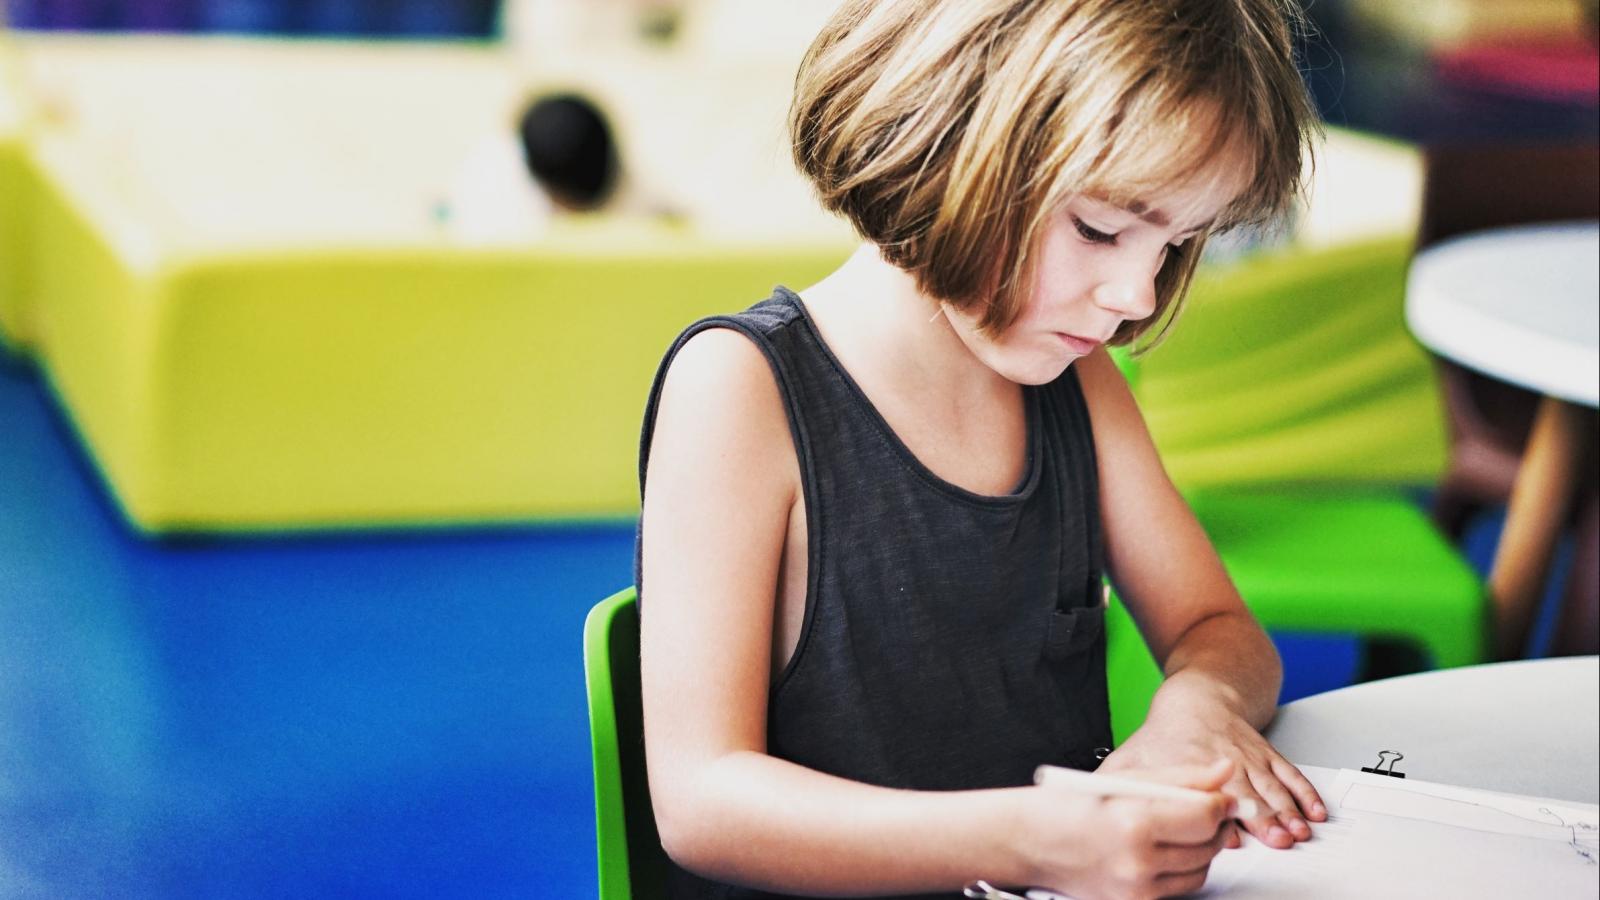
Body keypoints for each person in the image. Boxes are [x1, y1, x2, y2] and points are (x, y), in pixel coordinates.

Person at [635, 0, 1325, 896]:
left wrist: (1199, 707)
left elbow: (1219, 631)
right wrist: (1030, 840)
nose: (1137, 297)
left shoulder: (1080, 385)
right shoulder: (739, 387)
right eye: (1102, 230)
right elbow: (702, 802)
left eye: (1175, 245)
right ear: (948, 148)